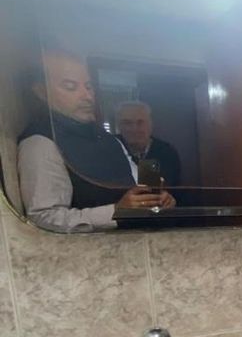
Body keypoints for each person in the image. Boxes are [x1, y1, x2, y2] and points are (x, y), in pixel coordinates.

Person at [17, 49, 175, 233]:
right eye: (70, 87)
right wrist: (116, 212)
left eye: (89, 87)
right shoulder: (41, 143)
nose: (87, 96)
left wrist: (162, 199)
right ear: (41, 92)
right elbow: (44, 217)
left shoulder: (111, 140)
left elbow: (144, 190)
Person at [115, 101, 181, 187]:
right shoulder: (110, 148)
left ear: (151, 124)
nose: (134, 129)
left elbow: (176, 189)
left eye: (140, 122)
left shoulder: (167, 152)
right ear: (119, 126)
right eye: (127, 123)